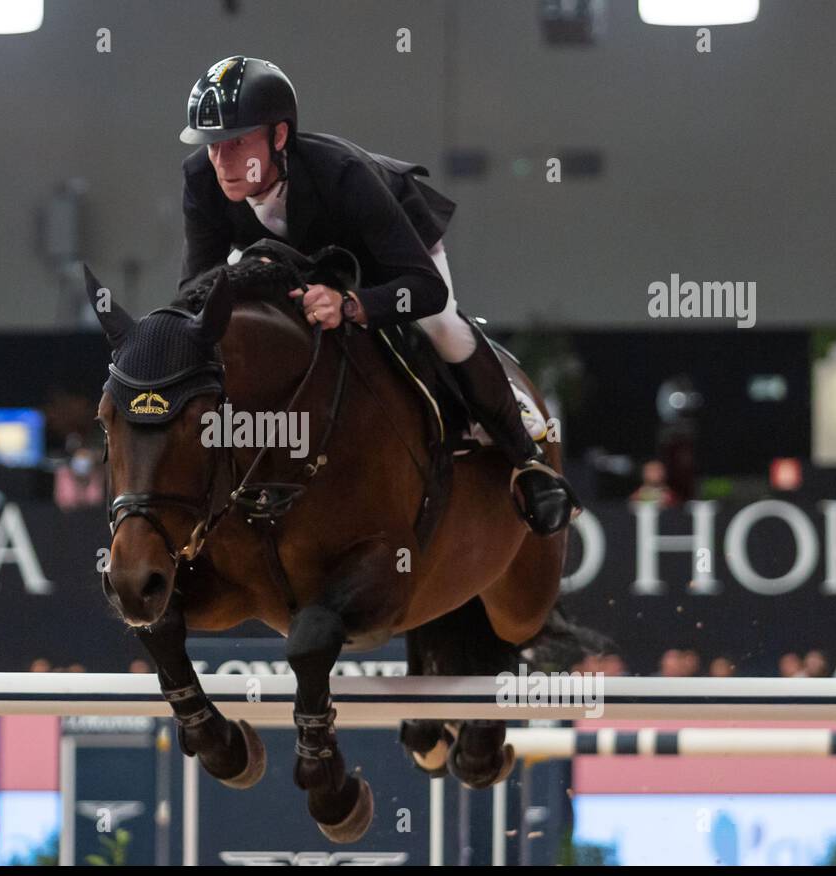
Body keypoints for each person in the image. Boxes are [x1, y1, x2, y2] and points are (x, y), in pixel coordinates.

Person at [177, 56, 577, 536]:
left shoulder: (343, 174)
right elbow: (196, 290)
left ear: (279, 136)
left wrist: (351, 305)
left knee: (442, 326)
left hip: (390, 257)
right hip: (297, 260)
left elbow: (425, 289)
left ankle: (526, 459)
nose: (222, 162)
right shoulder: (201, 178)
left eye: (238, 143)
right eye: (213, 146)